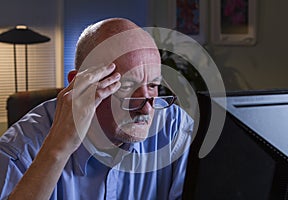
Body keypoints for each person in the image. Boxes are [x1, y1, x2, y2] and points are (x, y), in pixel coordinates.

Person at [0, 18, 194, 200]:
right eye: (126, 87)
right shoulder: (21, 147)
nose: (146, 110)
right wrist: (57, 150)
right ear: (78, 85)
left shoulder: (174, 129)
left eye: (153, 86)